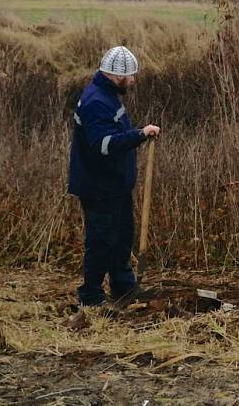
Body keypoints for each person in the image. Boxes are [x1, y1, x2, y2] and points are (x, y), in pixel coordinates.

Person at [68, 46, 160, 307]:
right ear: (116, 76)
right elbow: (102, 145)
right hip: (99, 186)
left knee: (121, 236)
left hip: (114, 185)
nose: (132, 81)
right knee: (101, 242)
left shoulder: (107, 96)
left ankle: (123, 286)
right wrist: (139, 134)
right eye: (130, 76)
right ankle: (92, 296)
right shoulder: (96, 101)